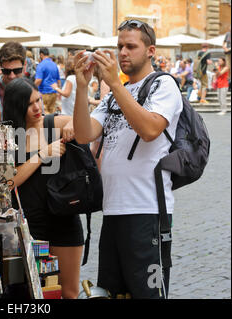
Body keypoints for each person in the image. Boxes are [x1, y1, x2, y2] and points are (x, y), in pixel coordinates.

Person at [72, 19, 183, 299]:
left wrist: (113, 84)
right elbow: (84, 135)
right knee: (112, 293)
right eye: (120, 46)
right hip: (113, 210)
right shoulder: (112, 98)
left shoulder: (163, 85)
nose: (123, 52)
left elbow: (149, 130)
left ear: (150, 51)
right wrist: (83, 89)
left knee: (147, 294)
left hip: (147, 210)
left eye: (131, 46)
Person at [4, 77, 84, 299]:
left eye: (38, 99)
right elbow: (7, 183)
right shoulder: (9, 137)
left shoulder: (52, 124)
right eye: (30, 104)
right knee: (33, 292)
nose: (37, 107)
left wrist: (72, 123)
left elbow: (87, 122)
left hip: (63, 219)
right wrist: (42, 155)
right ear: (17, 107)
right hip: (30, 226)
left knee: (68, 292)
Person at [0, 41, 27, 122]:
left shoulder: (33, 94)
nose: (12, 76)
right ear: (0, 67)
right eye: (6, 71)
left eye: (17, 70)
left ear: (25, 66)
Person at [35, 48, 60, 114]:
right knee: (52, 112)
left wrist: (32, 87)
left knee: (45, 112)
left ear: (41, 54)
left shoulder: (41, 65)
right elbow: (58, 80)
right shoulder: (54, 64)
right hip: (54, 92)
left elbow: (38, 80)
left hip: (44, 92)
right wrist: (58, 91)